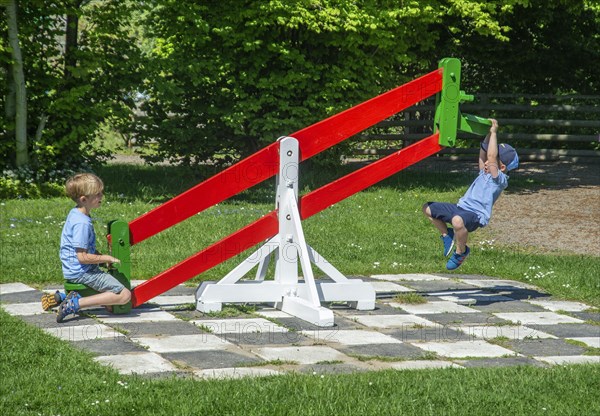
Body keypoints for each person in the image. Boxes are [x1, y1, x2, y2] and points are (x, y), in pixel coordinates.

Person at [422, 119, 519, 270]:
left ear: (502, 166)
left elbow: (491, 157)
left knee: (457, 221)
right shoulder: (485, 172)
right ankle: (446, 235)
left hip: (475, 215)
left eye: (492, 160)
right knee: (427, 208)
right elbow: (484, 151)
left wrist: (494, 132)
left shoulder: (499, 179)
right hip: (460, 208)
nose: (487, 161)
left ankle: (461, 252)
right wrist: (488, 133)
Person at [40, 173, 131, 322]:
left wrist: (100, 260)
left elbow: (84, 251)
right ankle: (74, 304)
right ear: (84, 199)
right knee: (124, 295)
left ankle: (60, 297)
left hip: (74, 269)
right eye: (98, 194)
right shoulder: (82, 224)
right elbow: (82, 257)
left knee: (109, 300)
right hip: (82, 271)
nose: (102, 195)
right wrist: (105, 257)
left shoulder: (76, 213)